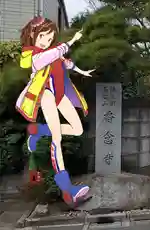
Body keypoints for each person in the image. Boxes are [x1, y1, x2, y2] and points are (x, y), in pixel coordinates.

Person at [16, 16, 94, 208]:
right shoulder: (32, 57)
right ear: (32, 36)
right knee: (57, 139)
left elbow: (64, 62)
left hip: (60, 94)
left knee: (77, 129)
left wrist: (81, 71)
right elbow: (53, 55)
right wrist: (71, 41)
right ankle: (68, 190)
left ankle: (39, 131)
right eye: (42, 36)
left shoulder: (53, 51)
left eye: (50, 37)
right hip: (47, 95)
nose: (46, 41)